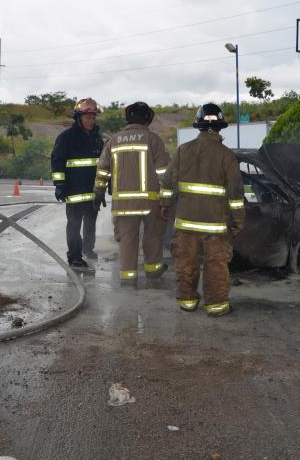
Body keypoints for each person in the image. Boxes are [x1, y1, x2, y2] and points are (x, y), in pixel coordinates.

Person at [159, 103, 245, 317]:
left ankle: (187, 302)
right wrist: (238, 220)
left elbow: (167, 182)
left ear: (198, 125)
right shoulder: (226, 155)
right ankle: (216, 306)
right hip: (215, 226)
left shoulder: (183, 150)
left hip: (186, 223)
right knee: (216, 266)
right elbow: (235, 193)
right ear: (220, 127)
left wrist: (165, 205)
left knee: (185, 262)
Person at [94, 101, 170, 284]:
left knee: (127, 240)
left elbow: (102, 170)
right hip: (150, 202)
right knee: (153, 237)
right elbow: (164, 174)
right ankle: (153, 271)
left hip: (123, 203)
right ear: (147, 119)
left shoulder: (114, 141)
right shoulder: (153, 140)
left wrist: (98, 192)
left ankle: (128, 279)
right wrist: (166, 201)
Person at [51, 97, 104, 270]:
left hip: (92, 190)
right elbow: (57, 162)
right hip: (73, 190)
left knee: (90, 222)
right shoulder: (66, 137)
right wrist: (60, 185)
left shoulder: (97, 138)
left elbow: (103, 164)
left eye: (93, 117)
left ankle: (88, 249)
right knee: (74, 224)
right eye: (88, 117)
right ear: (78, 118)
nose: (91, 121)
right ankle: (74, 256)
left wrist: (104, 186)